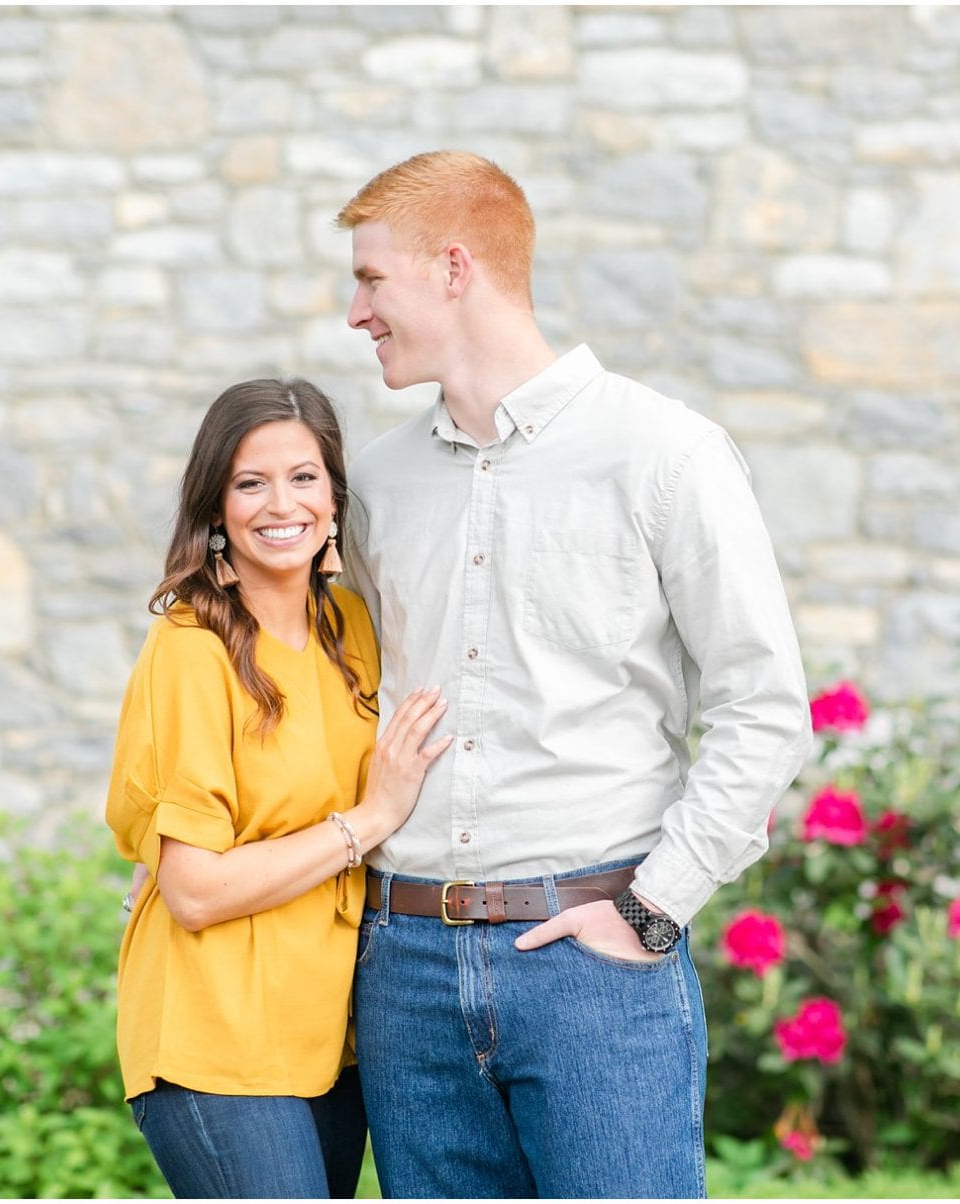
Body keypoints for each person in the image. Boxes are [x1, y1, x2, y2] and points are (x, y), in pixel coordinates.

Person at [335, 150, 812, 1198]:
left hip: (593, 968)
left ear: (453, 267)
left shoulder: (661, 453)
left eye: (371, 278)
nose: (355, 311)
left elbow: (765, 707)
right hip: (402, 966)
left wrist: (652, 910)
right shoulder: (374, 482)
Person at [104, 379, 451, 1199]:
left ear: (334, 497)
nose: (280, 504)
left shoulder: (354, 632)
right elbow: (192, 890)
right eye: (249, 483)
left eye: (303, 477)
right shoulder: (192, 647)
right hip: (214, 1032)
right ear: (215, 508)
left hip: (332, 1037)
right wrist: (368, 820)